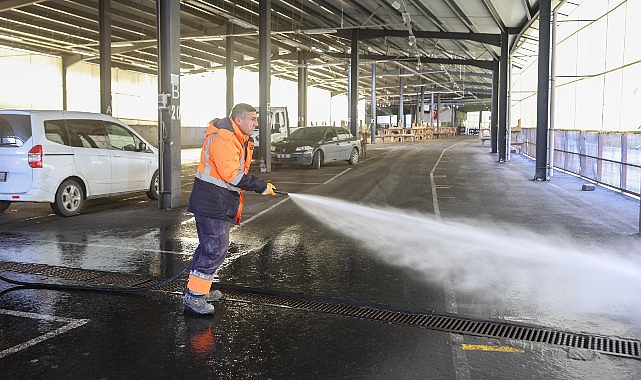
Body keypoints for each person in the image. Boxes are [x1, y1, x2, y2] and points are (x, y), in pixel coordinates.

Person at [184, 103, 276, 314]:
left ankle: (198, 290)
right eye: (252, 119)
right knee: (215, 249)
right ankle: (195, 298)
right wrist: (260, 186)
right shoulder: (224, 138)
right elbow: (232, 175)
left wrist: (261, 186)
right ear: (239, 119)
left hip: (216, 201)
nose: (256, 123)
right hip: (211, 202)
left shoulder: (238, 138)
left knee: (209, 248)